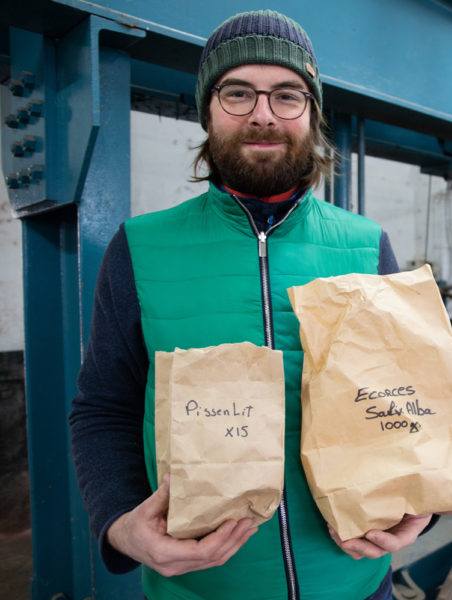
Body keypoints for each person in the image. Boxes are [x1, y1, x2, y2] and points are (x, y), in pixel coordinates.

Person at [69, 10, 432, 600]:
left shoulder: (368, 246)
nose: (263, 114)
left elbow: (407, 404)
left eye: (287, 95)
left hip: (355, 584)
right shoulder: (139, 248)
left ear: (312, 114)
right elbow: (103, 408)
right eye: (238, 92)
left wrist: (424, 506)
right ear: (207, 110)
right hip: (204, 590)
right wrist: (118, 523)